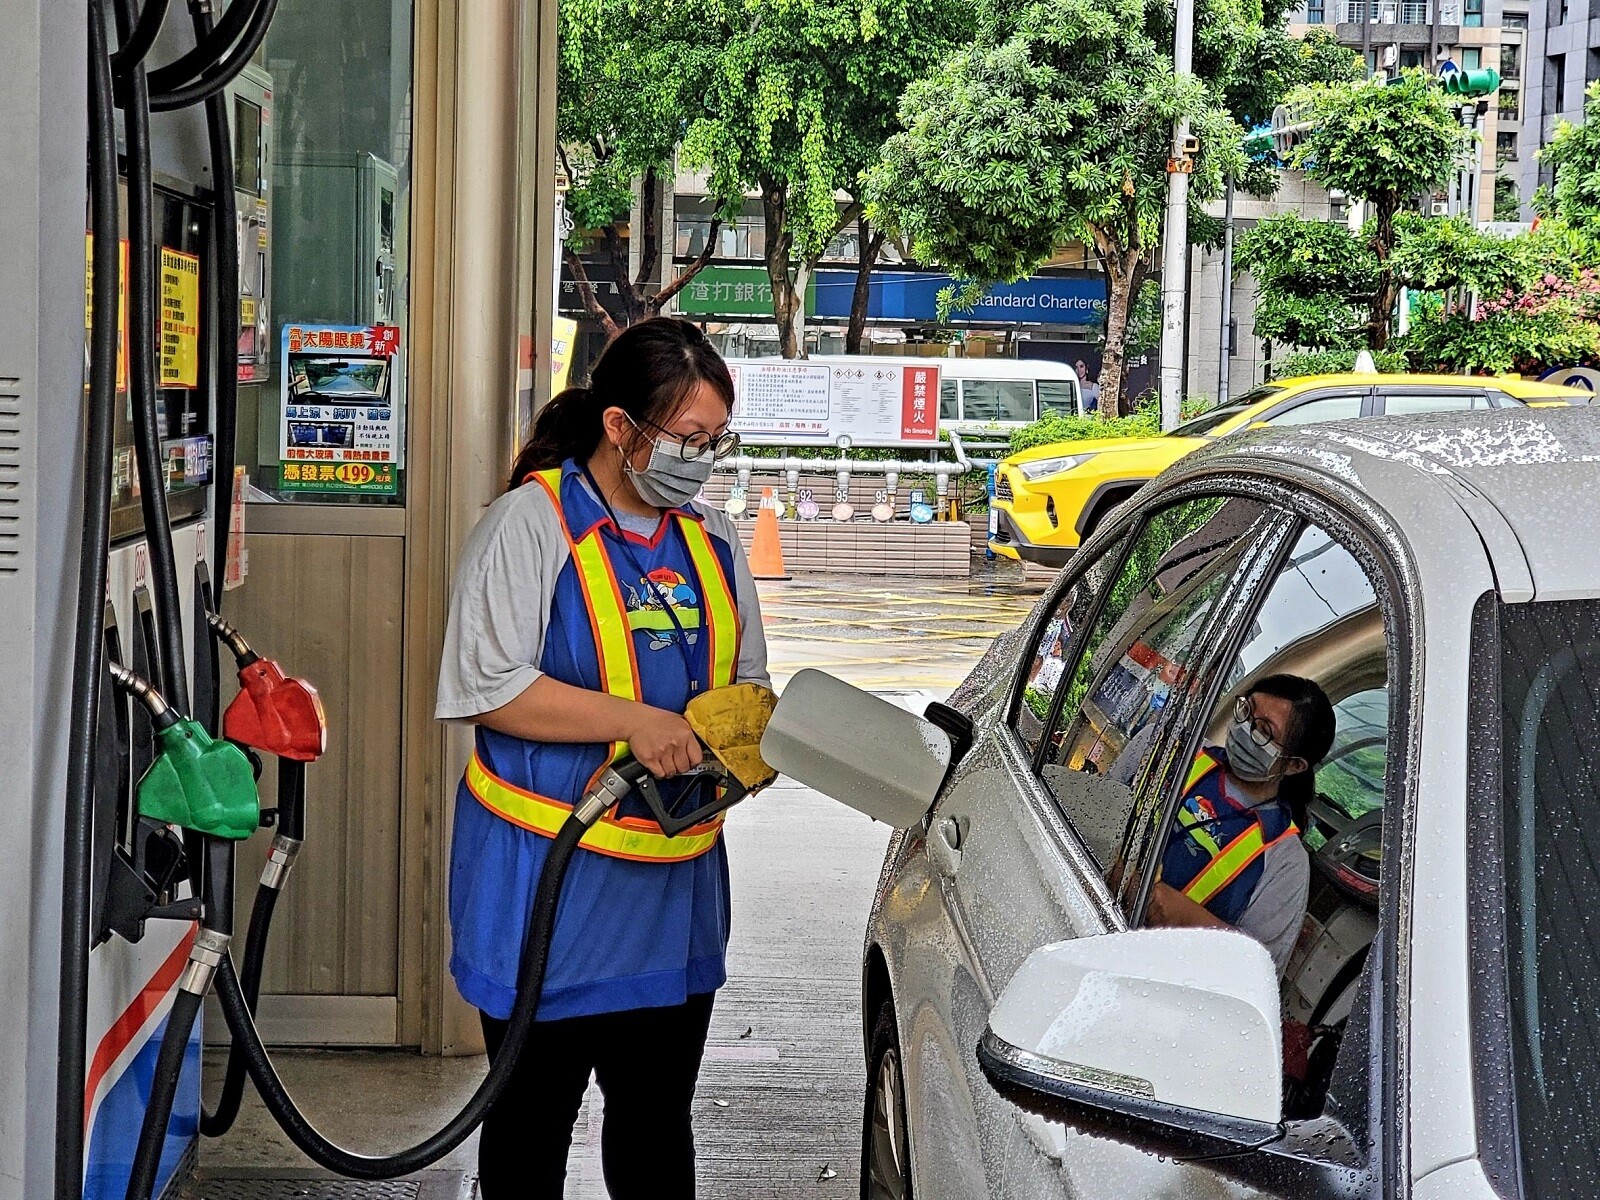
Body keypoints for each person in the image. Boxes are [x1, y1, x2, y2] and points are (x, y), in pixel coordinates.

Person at [434, 318, 769, 1199]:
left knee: (657, 1128)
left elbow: (748, 682)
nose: (699, 459)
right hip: (544, 882)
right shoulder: (532, 523)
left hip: (672, 887)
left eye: (713, 441)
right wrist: (636, 722)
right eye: (684, 439)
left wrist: (753, 738)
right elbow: (488, 684)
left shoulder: (715, 542)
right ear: (620, 427)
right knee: (530, 1128)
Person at [1144, 674, 1335, 974]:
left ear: (1294, 765)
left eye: (1263, 731)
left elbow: (1257, 972)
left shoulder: (1285, 860)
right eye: (1246, 711)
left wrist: (1184, 917)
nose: (1245, 729)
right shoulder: (1177, 752)